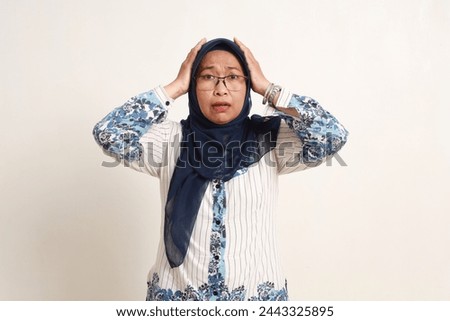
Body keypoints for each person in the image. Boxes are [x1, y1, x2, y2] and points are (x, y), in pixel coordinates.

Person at [93, 37, 348, 301]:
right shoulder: (169, 140)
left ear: (248, 85)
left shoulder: (271, 139)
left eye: (234, 77)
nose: (221, 89)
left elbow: (332, 136)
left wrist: (269, 88)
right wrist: (175, 87)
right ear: (194, 86)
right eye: (207, 77)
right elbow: (109, 133)